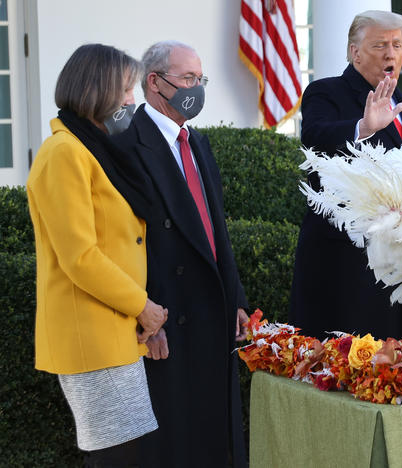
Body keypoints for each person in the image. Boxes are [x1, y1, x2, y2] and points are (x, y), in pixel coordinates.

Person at [26, 44, 168, 466]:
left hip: (114, 331)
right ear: (97, 90)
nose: (132, 100)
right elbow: (80, 256)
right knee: (116, 457)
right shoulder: (64, 152)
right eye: (126, 89)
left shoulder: (92, 147)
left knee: (125, 454)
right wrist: (142, 306)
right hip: (91, 335)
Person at [112, 40, 249, 467]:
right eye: (188, 79)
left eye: (199, 79)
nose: (197, 88)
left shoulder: (198, 142)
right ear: (155, 82)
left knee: (217, 438)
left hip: (214, 311)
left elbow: (215, 233)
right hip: (167, 318)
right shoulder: (127, 145)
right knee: (177, 442)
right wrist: (146, 314)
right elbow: (128, 243)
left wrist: (237, 299)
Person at [289, 10, 402, 342]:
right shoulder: (325, 93)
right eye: (380, 44)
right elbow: (316, 137)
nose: (390, 53)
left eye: (397, 44)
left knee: (397, 374)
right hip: (345, 267)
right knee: (344, 375)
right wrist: (363, 128)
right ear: (355, 52)